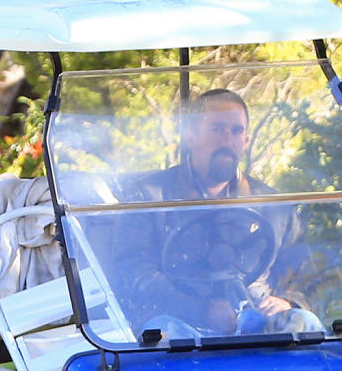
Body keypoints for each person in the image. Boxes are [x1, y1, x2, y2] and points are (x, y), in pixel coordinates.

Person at [116, 88, 318, 336]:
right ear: (190, 136)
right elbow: (133, 274)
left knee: (305, 323)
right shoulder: (148, 197)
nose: (227, 140)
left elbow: (303, 271)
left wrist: (289, 301)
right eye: (217, 129)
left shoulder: (273, 205)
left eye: (236, 131)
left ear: (246, 141)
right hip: (184, 324)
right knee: (164, 332)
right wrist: (202, 311)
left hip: (259, 319)